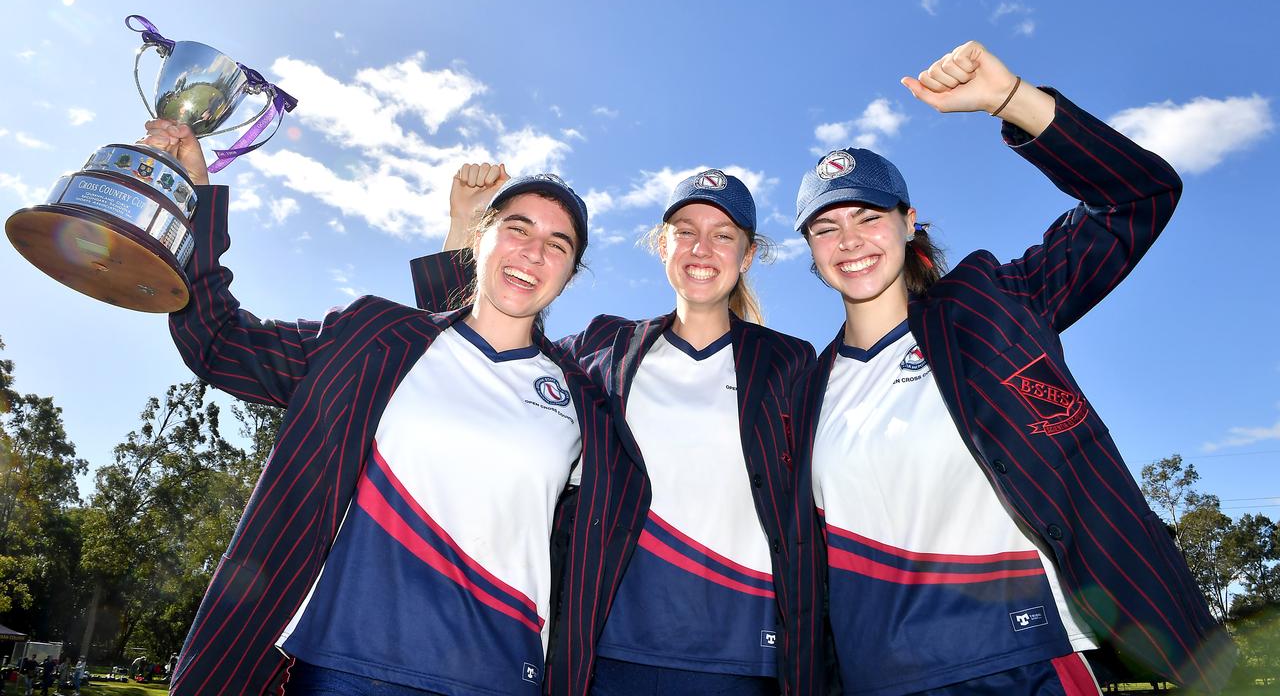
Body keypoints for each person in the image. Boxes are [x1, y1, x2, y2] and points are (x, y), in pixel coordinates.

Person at [788, 41, 1236, 694]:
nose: (849, 239)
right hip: (876, 678)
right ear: (810, 249)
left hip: (1025, 661)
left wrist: (1010, 99)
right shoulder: (805, 393)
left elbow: (1138, 197)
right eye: (826, 228)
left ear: (908, 223)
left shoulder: (994, 302)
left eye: (868, 216)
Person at [139, 120, 622, 696]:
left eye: (557, 245)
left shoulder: (583, 400)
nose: (534, 253)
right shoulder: (375, 340)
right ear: (484, 239)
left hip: (500, 676)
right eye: (517, 229)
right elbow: (219, 340)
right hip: (344, 667)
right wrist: (195, 193)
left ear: (569, 275)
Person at [411, 166, 818, 694]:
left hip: (742, 656)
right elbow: (477, 359)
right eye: (686, 231)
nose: (702, 248)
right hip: (610, 650)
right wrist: (465, 226)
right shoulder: (604, 348)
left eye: (723, 236)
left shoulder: (788, 360)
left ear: (746, 256)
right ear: (662, 245)